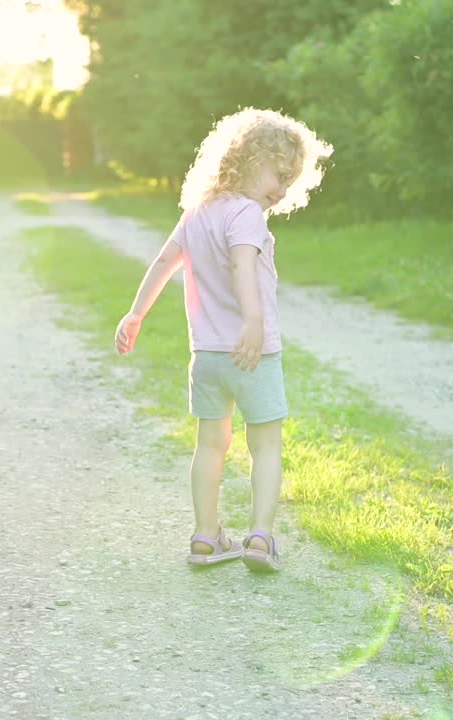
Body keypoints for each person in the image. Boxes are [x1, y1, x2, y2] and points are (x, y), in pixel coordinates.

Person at [113, 107, 331, 572]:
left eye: (290, 181)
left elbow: (163, 262)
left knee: (210, 445)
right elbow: (242, 266)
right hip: (253, 353)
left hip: (207, 356)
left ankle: (206, 536)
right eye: (278, 174)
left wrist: (136, 313)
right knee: (266, 444)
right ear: (249, 159)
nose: (282, 189)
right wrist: (253, 322)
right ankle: (259, 537)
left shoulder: (197, 212)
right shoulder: (246, 214)